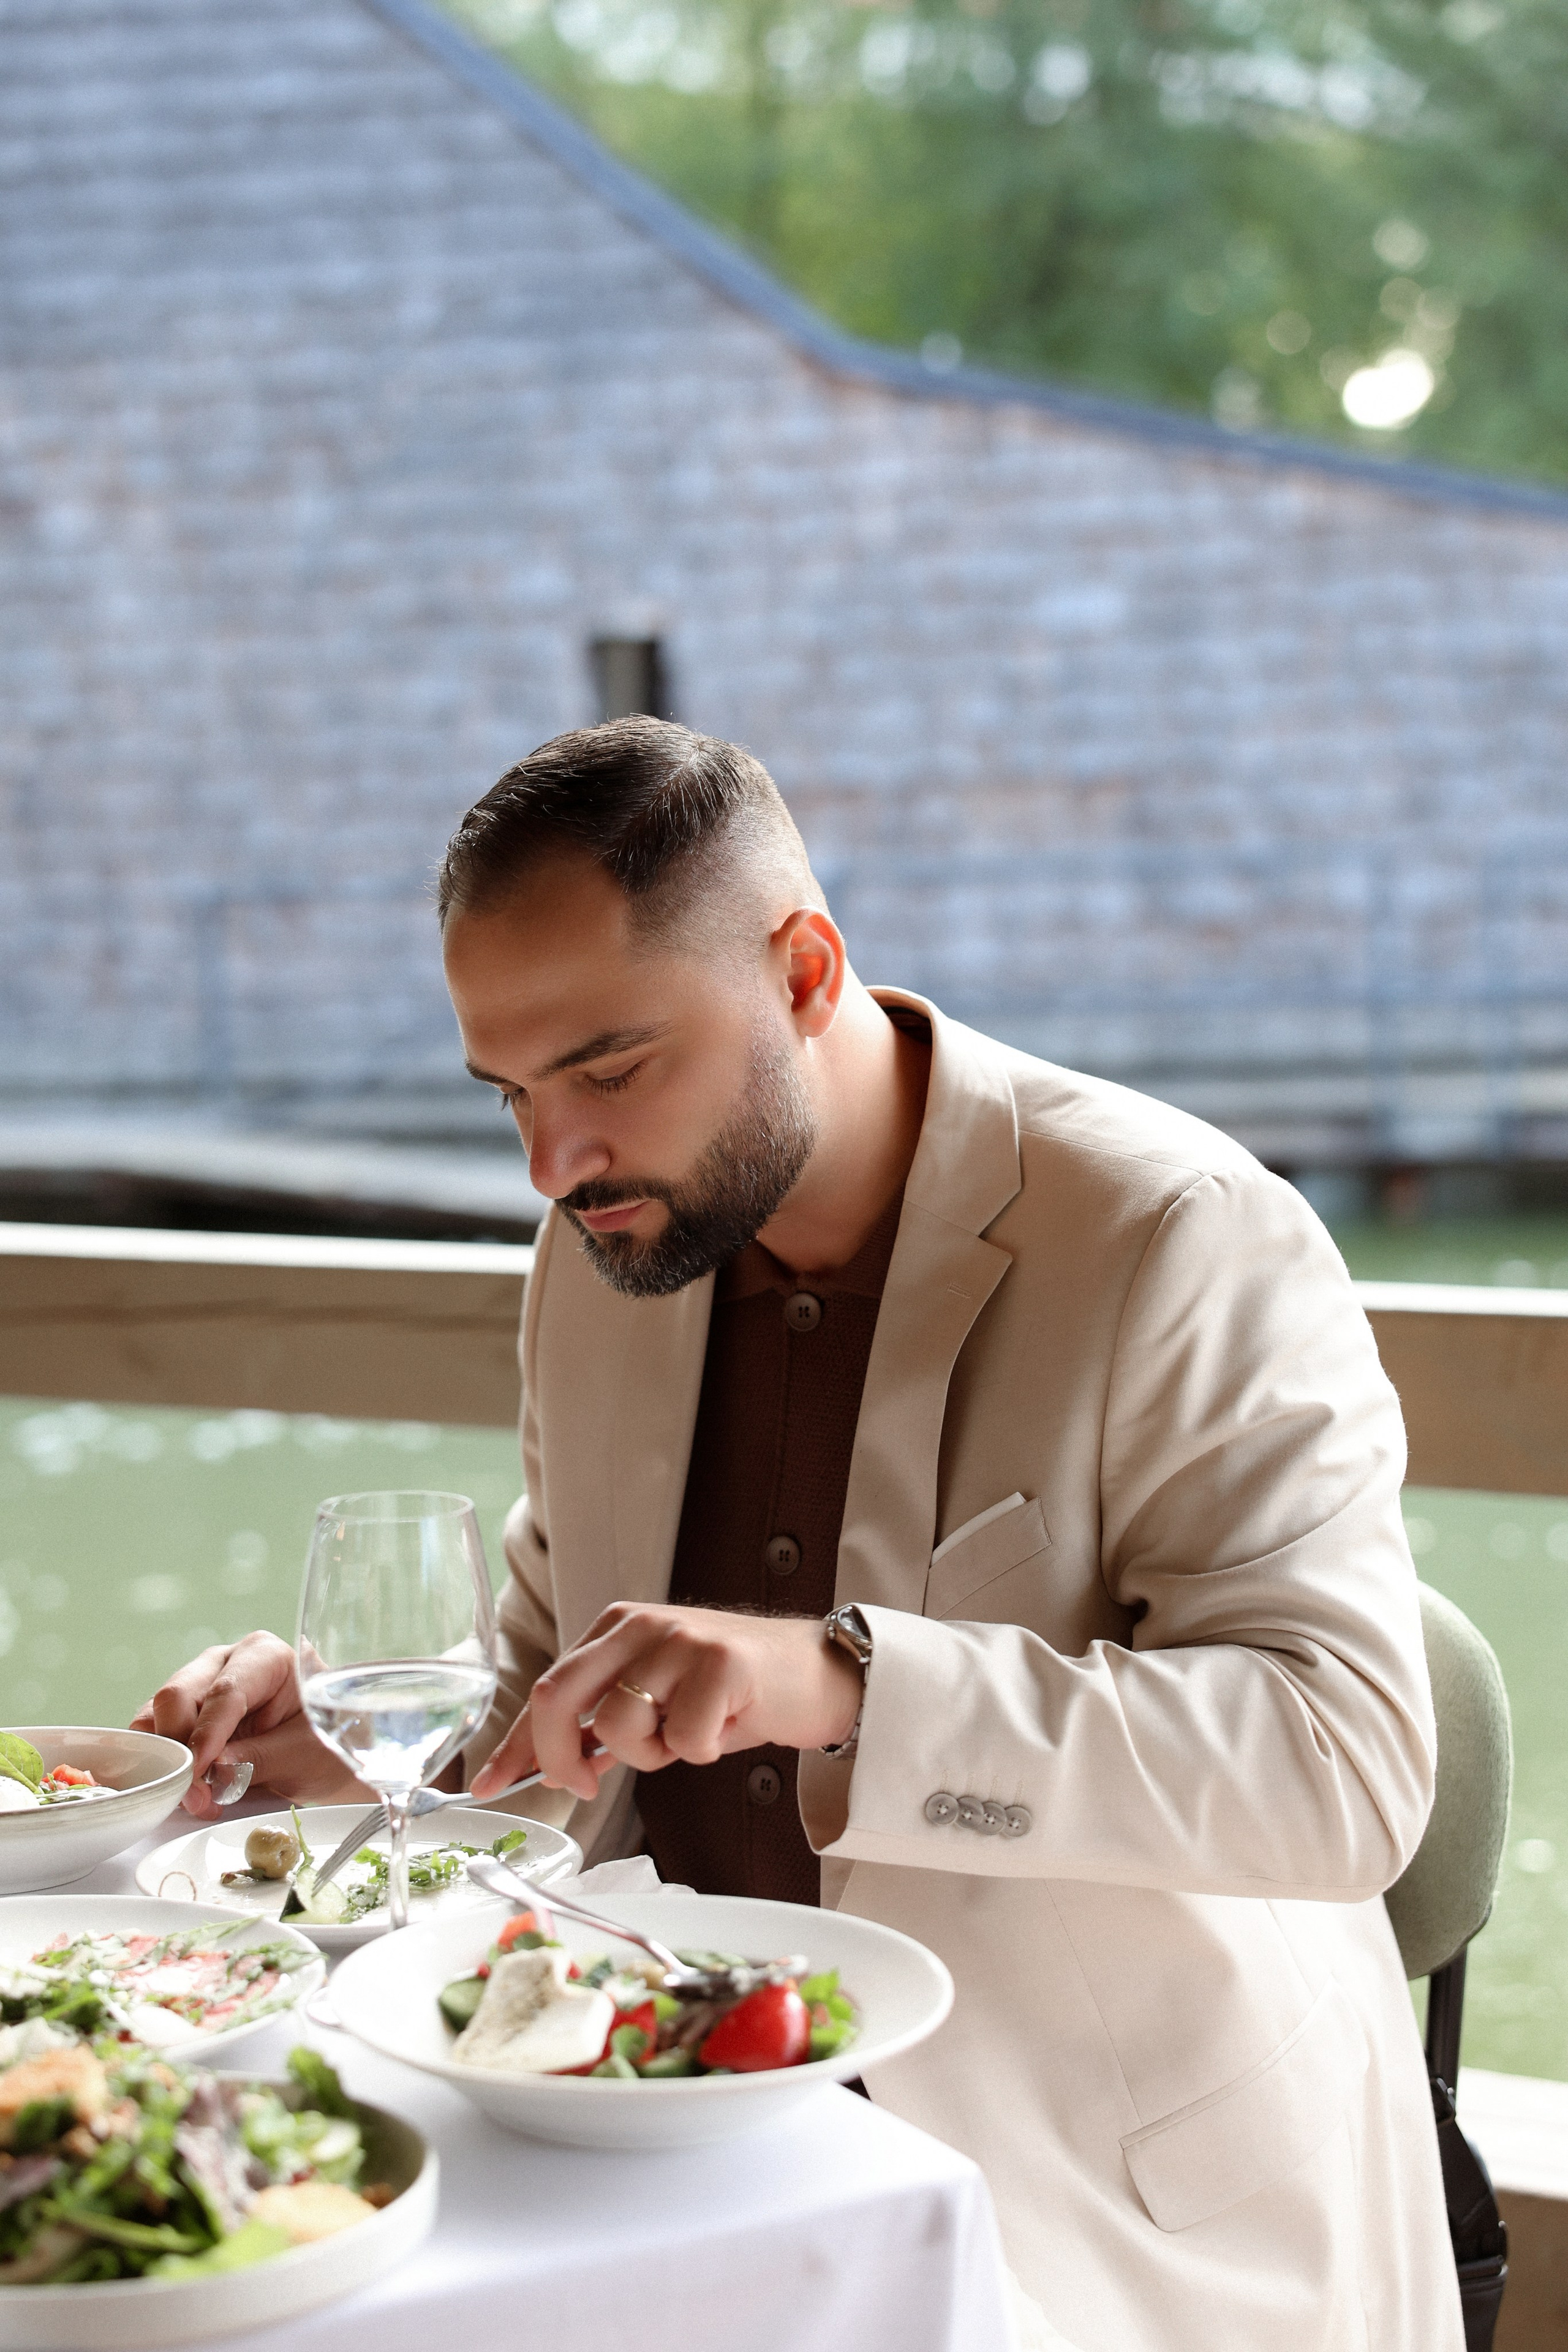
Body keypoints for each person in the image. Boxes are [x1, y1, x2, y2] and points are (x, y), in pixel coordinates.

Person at [139, 718, 1458, 2351]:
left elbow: (1344, 1767)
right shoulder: (606, 1249)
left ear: (805, 972)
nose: (552, 1164)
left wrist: (839, 1686)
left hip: (1109, 2221)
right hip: (676, 2148)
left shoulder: (1182, 1235)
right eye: (511, 1094)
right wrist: (360, 1739)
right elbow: (560, 1680)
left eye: (611, 1070)